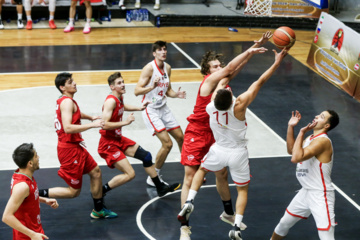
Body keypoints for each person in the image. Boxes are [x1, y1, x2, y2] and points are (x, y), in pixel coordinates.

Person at [178, 48, 288, 240]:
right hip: (198, 133)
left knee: (221, 174)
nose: (219, 68)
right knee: (190, 176)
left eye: (219, 65)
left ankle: (228, 213)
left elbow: (231, 71)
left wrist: (249, 56)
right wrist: (257, 54)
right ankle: (184, 228)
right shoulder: (210, 86)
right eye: (215, 67)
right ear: (207, 72)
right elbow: (237, 72)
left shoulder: (214, 101)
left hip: (216, 137)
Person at [38, 72, 117, 219]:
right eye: (70, 82)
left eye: (73, 81)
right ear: (62, 87)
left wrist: (90, 117)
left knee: (96, 172)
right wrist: (93, 124)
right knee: (74, 192)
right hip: (69, 150)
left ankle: (98, 210)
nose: (74, 83)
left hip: (75, 147)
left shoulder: (64, 100)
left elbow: (75, 113)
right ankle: (34, 194)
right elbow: (67, 127)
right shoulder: (67, 102)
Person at [99, 72, 181, 198]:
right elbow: (104, 125)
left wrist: (139, 108)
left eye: (122, 82)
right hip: (108, 144)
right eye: (119, 83)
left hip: (117, 139)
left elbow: (122, 106)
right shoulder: (110, 101)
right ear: (112, 87)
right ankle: (101, 191)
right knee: (130, 174)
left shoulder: (119, 98)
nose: (123, 85)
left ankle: (160, 188)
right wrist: (125, 122)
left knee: (146, 156)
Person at [271, 109, 339, 240]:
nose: (316, 116)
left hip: (320, 194)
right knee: (283, 224)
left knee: (326, 237)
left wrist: (301, 132)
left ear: (326, 126)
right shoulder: (311, 138)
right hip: (306, 191)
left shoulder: (322, 141)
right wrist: (291, 127)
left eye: (321, 117)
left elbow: (296, 158)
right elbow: (292, 150)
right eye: (318, 114)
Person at [134, 40, 186, 187]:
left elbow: (168, 90)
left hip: (163, 108)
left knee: (181, 137)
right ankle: (153, 176)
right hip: (151, 110)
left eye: (165, 49)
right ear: (154, 53)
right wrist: (152, 86)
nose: (163, 52)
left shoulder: (168, 68)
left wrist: (177, 94)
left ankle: (188, 169)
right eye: (160, 50)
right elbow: (137, 91)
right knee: (167, 144)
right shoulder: (149, 69)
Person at [2, 143, 59, 240]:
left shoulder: (23, 174)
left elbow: (28, 196)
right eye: (36, 156)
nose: (38, 157)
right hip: (27, 236)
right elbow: (6, 217)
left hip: (34, 230)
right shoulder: (22, 186)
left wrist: (45, 200)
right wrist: (32, 234)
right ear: (30, 163)